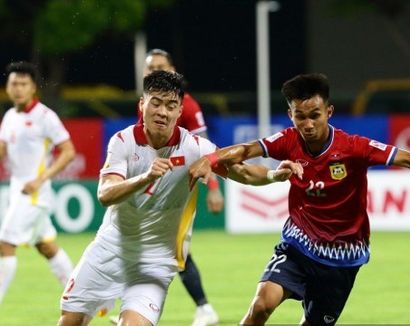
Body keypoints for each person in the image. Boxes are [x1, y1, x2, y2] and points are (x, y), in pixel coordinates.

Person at [188, 73, 410, 325]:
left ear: (328, 112)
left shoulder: (353, 147)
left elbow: (406, 158)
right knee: (262, 305)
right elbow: (244, 150)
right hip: (299, 244)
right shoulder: (288, 140)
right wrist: (211, 159)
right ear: (291, 114)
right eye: (299, 116)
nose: (307, 124)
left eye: (314, 116)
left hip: (343, 258)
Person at [58, 70, 301, 326]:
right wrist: (145, 177)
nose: (162, 112)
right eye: (156, 103)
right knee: (69, 322)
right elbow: (105, 194)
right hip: (109, 250)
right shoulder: (123, 142)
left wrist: (275, 174)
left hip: (155, 261)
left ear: (179, 111)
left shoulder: (195, 148)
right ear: (142, 104)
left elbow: (245, 173)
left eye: (171, 106)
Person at [109, 48, 223, 326]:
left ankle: (204, 308)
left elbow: (208, 154)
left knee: (171, 251)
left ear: (173, 70)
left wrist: (215, 188)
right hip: (147, 188)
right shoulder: (148, 105)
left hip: (175, 190)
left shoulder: (188, 106)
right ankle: (132, 309)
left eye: (160, 66)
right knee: (132, 242)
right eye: (149, 67)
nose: (154, 71)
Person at [0, 61, 76, 304]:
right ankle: (84, 298)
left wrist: (40, 178)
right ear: (8, 87)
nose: (18, 88)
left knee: (5, 244)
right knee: (46, 246)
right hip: (17, 189)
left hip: (34, 192)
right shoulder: (10, 116)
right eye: (14, 83)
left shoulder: (45, 116)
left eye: (24, 84)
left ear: (33, 88)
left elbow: (68, 151)